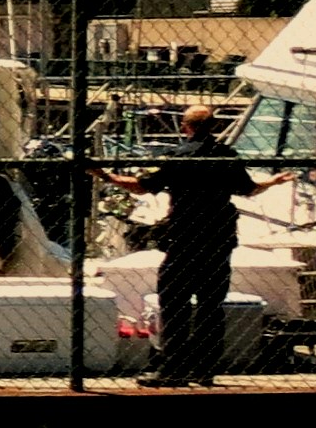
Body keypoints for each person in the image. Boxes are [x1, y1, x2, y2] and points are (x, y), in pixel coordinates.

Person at [102, 103, 272, 387]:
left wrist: (106, 176)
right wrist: (273, 182)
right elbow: (248, 188)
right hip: (218, 238)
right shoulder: (228, 156)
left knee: (175, 303)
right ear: (214, 127)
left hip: (185, 237)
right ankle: (204, 369)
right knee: (211, 304)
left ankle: (173, 369)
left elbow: (143, 185)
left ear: (186, 127)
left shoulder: (179, 157)